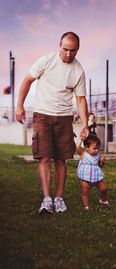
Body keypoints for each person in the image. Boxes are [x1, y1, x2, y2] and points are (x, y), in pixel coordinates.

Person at [15, 32, 89, 214]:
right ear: (59, 46)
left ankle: (59, 199)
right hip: (42, 115)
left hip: (64, 117)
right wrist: (19, 106)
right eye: (65, 49)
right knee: (45, 157)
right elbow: (27, 80)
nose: (68, 54)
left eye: (73, 51)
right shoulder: (46, 61)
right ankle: (47, 200)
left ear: (78, 49)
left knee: (62, 159)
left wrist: (85, 124)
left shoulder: (78, 70)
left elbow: (80, 100)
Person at [76, 134, 109, 211]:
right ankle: (86, 206)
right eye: (94, 148)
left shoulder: (97, 155)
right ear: (87, 148)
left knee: (103, 189)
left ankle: (103, 200)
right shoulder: (83, 154)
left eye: (98, 148)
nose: (96, 150)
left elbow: (100, 166)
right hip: (85, 177)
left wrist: (102, 162)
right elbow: (77, 147)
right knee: (85, 191)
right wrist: (81, 139)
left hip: (97, 176)